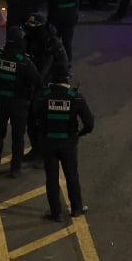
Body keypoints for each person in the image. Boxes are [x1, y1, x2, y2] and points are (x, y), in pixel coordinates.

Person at [35, 66, 94, 222]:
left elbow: (34, 117)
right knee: (72, 176)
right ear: (66, 80)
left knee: (51, 178)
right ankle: (76, 208)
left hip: (48, 143)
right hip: (68, 143)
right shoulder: (76, 98)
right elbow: (89, 123)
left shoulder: (43, 97)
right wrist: (79, 134)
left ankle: (56, 212)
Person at [0, 25, 42, 177]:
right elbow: (37, 81)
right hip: (19, 103)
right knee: (18, 136)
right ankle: (15, 169)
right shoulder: (24, 61)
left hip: (1, 100)